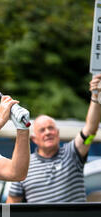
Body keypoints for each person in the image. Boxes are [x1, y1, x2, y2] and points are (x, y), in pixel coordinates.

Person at [6, 74, 101, 204]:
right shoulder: (24, 165)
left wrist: (95, 96)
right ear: (34, 139)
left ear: (58, 133)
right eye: (42, 130)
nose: (48, 132)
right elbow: (12, 202)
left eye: (51, 128)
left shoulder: (73, 153)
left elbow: (91, 130)